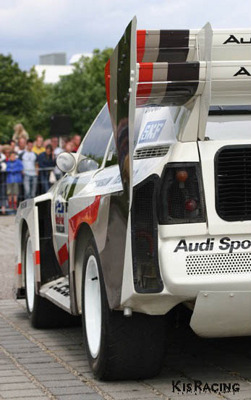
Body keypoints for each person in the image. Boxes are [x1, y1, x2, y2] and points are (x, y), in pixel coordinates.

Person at [0, 146, 7, 214]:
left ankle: (3, 209)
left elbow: (4, 167)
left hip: (2, 178)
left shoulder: (3, 156)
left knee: (3, 194)